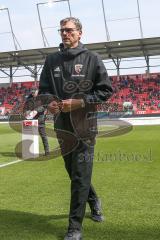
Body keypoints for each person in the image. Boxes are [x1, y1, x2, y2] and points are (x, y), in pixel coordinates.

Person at [39, 17, 113, 240]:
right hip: (62, 127)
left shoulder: (92, 58)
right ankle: (93, 200)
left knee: (80, 176)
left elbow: (106, 91)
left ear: (80, 33)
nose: (65, 33)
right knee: (75, 174)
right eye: (62, 30)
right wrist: (49, 101)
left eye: (69, 30)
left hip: (85, 127)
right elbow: (43, 90)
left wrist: (80, 102)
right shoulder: (51, 60)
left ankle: (74, 228)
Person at [26, 88, 50, 156]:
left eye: (34, 92)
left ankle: (47, 152)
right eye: (32, 93)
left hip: (40, 119)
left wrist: (36, 110)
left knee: (43, 136)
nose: (33, 94)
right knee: (30, 135)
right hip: (32, 119)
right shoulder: (30, 98)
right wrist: (28, 111)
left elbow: (44, 107)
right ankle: (30, 151)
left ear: (37, 92)